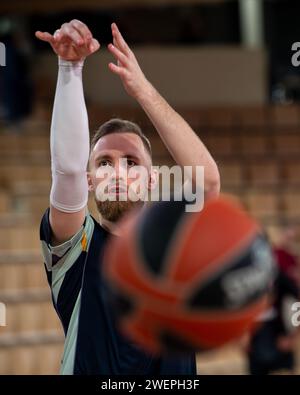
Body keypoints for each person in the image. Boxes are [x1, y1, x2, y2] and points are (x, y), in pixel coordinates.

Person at [36, 19, 220, 375]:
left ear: (152, 180)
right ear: (90, 181)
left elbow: (208, 182)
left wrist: (143, 90)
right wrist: (70, 68)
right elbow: (68, 170)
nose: (117, 172)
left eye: (131, 162)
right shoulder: (77, 248)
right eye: (104, 163)